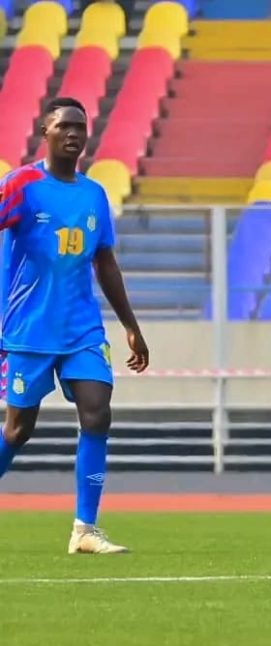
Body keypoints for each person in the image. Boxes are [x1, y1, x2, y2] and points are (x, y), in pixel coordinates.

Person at [0, 97, 149, 554]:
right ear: (44, 131)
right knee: (18, 430)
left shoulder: (93, 194)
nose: (74, 133)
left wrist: (130, 324)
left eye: (80, 127)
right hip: (28, 330)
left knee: (97, 412)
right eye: (64, 125)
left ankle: (85, 528)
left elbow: (105, 262)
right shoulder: (22, 184)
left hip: (83, 329)